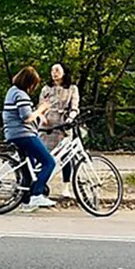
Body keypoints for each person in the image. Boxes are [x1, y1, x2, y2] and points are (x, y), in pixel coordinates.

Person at [3, 66, 56, 211]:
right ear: (29, 82)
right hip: (24, 134)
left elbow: (24, 113)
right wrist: (41, 109)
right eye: (34, 84)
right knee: (49, 162)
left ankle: (26, 201)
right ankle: (36, 195)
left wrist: (39, 116)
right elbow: (26, 118)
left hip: (13, 133)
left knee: (29, 167)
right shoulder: (21, 95)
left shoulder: (12, 91)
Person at [39, 62, 80, 198]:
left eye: (57, 70)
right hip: (47, 125)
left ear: (64, 72)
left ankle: (66, 187)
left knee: (66, 156)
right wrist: (41, 117)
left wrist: (71, 118)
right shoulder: (46, 89)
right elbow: (40, 105)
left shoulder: (72, 89)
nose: (54, 73)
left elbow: (74, 106)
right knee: (44, 155)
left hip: (63, 124)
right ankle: (41, 185)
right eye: (52, 70)